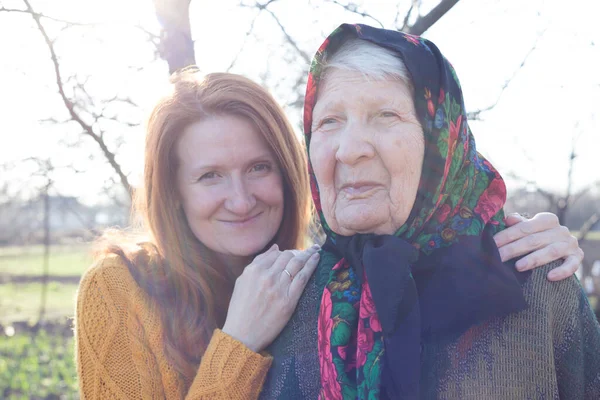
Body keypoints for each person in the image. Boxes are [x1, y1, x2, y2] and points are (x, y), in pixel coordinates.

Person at [74, 71, 584, 399]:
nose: (241, 198)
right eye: (210, 176)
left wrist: (528, 244)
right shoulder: (121, 290)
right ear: (174, 193)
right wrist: (238, 345)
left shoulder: (318, 286)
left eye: (259, 167)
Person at [259, 24, 600, 399]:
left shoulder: (535, 283)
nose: (349, 148)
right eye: (329, 122)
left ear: (442, 142)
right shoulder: (281, 298)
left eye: (385, 115)